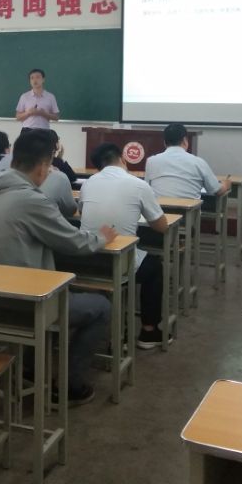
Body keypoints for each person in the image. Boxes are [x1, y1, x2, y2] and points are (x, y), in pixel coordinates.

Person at [0, 130, 116, 405]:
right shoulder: (31, 200)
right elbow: (74, 242)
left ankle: (29, 367)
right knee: (101, 307)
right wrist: (102, 237)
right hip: (23, 305)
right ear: (42, 167)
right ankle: (70, 385)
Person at [80, 143, 169, 349]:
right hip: (118, 264)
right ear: (123, 158)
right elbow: (162, 226)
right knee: (155, 267)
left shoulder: (88, 183)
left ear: (99, 166)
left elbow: (82, 211)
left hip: (86, 261)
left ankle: (114, 325)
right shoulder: (138, 185)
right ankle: (149, 332)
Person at [144, 123, 231, 199]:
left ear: (164, 143)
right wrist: (226, 184)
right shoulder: (198, 162)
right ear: (185, 141)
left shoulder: (151, 161)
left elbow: (147, 189)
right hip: (188, 212)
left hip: (159, 211)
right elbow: (217, 191)